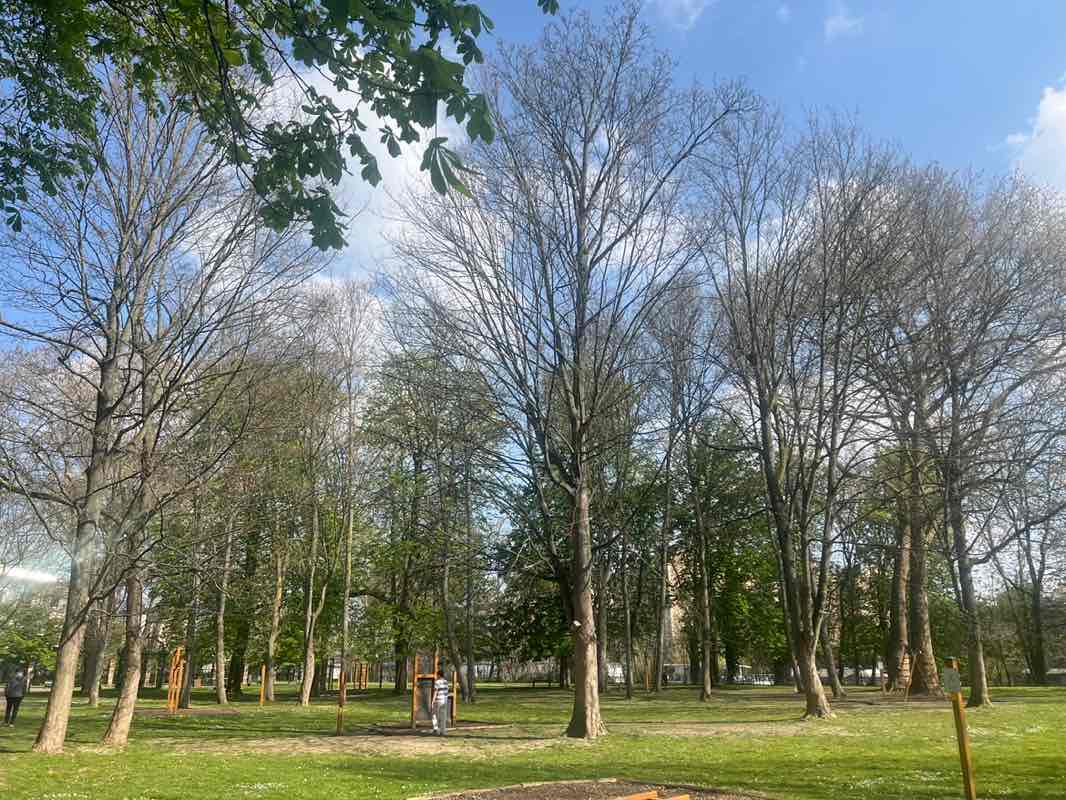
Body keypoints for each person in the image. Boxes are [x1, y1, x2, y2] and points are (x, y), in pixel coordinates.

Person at [431, 670, 449, 736]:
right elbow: (446, 692)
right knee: (443, 716)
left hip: (438, 700)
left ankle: (435, 729)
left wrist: (432, 701)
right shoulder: (446, 682)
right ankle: (443, 731)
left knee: (434, 714)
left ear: (439, 675)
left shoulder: (437, 682)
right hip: (444, 701)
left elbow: (435, 692)